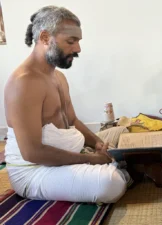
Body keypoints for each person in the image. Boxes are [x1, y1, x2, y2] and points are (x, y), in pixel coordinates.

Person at [4, 6, 130, 203]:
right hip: (35, 170)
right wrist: (90, 158)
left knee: (123, 132)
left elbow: (72, 120)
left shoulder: (58, 76)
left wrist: (97, 144)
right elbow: (32, 152)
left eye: (78, 41)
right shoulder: (24, 82)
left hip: (72, 150)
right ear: (45, 38)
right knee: (109, 183)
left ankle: (118, 164)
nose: (78, 49)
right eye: (71, 41)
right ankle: (122, 170)